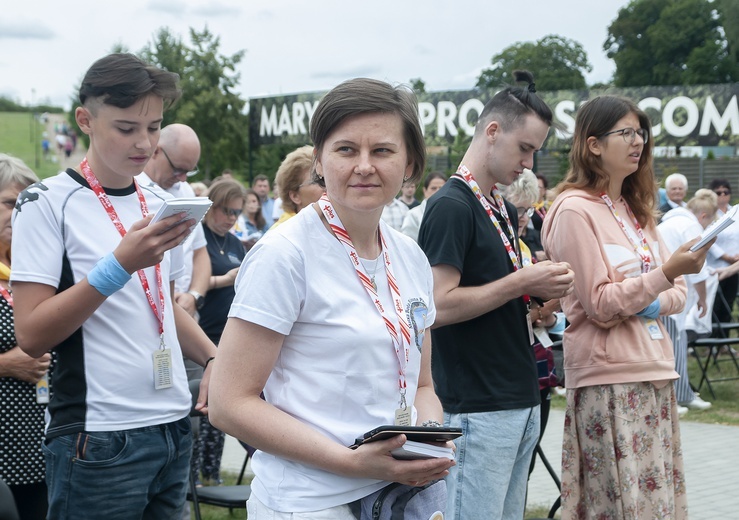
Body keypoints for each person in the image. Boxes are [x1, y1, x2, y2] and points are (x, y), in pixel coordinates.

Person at [208, 77, 454, 518]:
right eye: (346, 150)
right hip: (310, 501)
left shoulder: (411, 257)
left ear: (410, 163)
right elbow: (229, 404)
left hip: (399, 493)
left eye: (382, 150)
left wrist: (428, 438)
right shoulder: (284, 255)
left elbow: (422, 385)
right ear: (319, 160)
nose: (364, 165)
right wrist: (348, 461)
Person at [10, 53, 218, 519]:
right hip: (99, 436)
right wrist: (118, 265)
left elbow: (161, 306)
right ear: (85, 119)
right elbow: (32, 334)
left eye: (155, 126)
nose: (144, 142)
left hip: (172, 426)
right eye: (126, 128)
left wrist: (213, 359)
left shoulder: (163, 200)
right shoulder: (45, 202)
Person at [541, 95, 710, 519]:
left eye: (641, 133)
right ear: (593, 144)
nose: (638, 142)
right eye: (626, 133)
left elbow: (679, 295)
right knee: (617, 505)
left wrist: (646, 298)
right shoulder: (573, 210)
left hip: (654, 368)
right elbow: (599, 303)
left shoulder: (637, 211)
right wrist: (661, 277)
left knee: (655, 505)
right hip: (608, 376)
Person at [417, 70, 575, 520]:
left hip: (517, 395)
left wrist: (540, 302)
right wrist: (523, 282)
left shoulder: (500, 205)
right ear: (492, 131)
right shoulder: (451, 205)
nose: (528, 163)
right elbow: (438, 306)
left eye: (534, 151)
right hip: (476, 406)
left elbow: (494, 297)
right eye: (524, 148)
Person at [0, 154, 51, 520]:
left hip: (41, 440)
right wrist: (5, 364)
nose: (18, 212)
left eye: (25, 203)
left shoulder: (31, 268)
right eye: (8, 202)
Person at [192, 179, 246, 487]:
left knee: (220, 408)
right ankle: (194, 476)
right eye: (226, 211)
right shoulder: (199, 238)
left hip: (228, 337)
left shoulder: (235, 243)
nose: (231, 218)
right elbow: (190, 285)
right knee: (200, 407)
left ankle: (211, 473)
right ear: (212, 206)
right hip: (202, 335)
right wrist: (223, 281)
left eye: (236, 213)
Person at [136, 123, 211, 319]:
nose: (183, 178)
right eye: (178, 169)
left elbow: (200, 251)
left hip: (184, 313)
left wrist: (194, 295)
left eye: (189, 171)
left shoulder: (185, 191)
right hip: (149, 314)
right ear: (156, 151)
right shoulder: (131, 190)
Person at [658, 189, 718, 412]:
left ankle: (681, 394)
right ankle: (678, 397)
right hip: (671, 295)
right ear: (703, 217)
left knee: (673, 346)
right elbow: (699, 269)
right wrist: (703, 300)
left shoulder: (669, 222)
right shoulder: (691, 226)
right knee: (675, 347)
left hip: (663, 292)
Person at [707, 178, 739, 323]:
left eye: (725, 192)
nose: (722, 195)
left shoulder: (736, 212)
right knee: (715, 305)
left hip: (735, 265)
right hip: (715, 266)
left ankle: (723, 344)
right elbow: (707, 238)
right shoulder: (709, 213)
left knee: (729, 303)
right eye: (718, 192)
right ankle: (711, 342)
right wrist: (725, 256)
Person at [271, 145, 324, 229]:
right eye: (316, 181)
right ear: (295, 196)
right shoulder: (281, 236)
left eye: (326, 179)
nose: (326, 186)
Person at [400, 171, 447, 242]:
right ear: (425, 191)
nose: (438, 192)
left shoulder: (453, 213)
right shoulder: (413, 215)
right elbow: (407, 244)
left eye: (441, 188)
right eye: (433, 188)